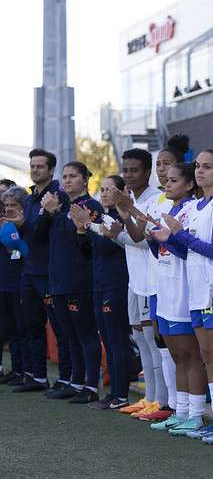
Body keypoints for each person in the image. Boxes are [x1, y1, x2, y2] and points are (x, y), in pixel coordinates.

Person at [151, 145, 213, 444]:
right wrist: (165, 238)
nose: (201, 171)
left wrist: (182, 235)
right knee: (208, 356)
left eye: (207, 167)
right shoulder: (195, 207)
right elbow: (185, 250)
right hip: (199, 288)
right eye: (199, 166)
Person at [142, 163, 208, 435]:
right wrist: (152, 239)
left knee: (190, 356)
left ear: (190, 185)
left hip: (183, 292)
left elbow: (187, 251)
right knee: (177, 356)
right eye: (166, 181)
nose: (166, 185)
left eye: (173, 181)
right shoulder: (169, 210)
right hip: (166, 291)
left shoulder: (191, 211)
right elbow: (163, 254)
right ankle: (181, 411)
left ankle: (196, 414)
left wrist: (166, 238)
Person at [41, 161, 104, 403]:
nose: (66, 180)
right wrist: (51, 212)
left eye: (72, 176)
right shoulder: (62, 205)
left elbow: (79, 239)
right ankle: (75, 382)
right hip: (58, 281)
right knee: (69, 335)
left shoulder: (91, 206)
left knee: (86, 334)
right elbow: (40, 235)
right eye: (64, 176)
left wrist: (56, 213)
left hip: (80, 281)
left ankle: (92, 386)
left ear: (85, 180)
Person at [67, 175, 131, 409]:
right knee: (108, 340)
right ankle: (114, 394)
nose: (104, 194)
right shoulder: (104, 216)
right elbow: (89, 252)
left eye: (110, 190)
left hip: (116, 284)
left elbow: (105, 245)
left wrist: (87, 225)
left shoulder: (120, 218)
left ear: (123, 193)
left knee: (117, 341)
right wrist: (82, 231)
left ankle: (121, 395)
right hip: (99, 284)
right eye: (102, 189)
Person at [111, 149, 165, 417]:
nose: (128, 175)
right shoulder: (129, 198)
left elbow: (145, 240)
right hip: (136, 280)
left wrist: (117, 232)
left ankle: (161, 400)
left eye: (134, 170)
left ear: (147, 172)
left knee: (154, 342)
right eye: (125, 170)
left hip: (152, 281)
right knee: (141, 341)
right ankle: (149, 398)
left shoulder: (155, 199)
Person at [10, 149, 70, 393]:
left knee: (60, 329)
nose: (35, 170)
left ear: (51, 169)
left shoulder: (57, 195)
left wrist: (22, 225)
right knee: (31, 326)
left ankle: (67, 380)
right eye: (32, 166)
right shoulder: (31, 197)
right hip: (29, 270)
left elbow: (38, 232)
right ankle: (37, 377)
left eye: (40, 166)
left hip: (49, 273)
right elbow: (28, 234)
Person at [0, 186, 29, 386]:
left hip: (20, 284)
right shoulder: (5, 225)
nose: (9, 209)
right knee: (10, 331)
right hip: (3, 286)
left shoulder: (28, 226)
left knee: (22, 330)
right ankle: (16, 370)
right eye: (6, 205)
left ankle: (26, 372)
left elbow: (28, 252)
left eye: (14, 205)